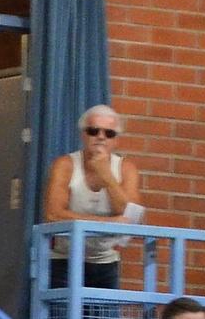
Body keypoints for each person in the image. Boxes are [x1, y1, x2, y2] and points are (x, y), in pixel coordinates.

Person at [41, 104, 142, 293]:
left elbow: (131, 217)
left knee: (102, 313)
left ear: (116, 140)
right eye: (94, 131)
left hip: (105, 261)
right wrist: (109, 223)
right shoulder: (65, 165)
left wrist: (107, 176)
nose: (101, 137)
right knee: (62, 312)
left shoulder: (126, 168)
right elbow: (53, 214)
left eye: (109, 133)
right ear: (83, 135)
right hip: (64, 259)